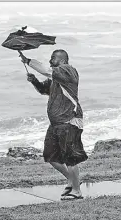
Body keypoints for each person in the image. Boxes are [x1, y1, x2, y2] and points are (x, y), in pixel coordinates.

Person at [20, 49, 88, 200]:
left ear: (63, 60)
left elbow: (45, 70)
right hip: (56, 123)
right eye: (51, 59)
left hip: (69, 120)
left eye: (53, 58)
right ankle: (72, 180)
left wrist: (28, 61)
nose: (51, 61)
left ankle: (76, 191)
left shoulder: (68, 71)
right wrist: (34, 81)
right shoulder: (56, 77)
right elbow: (44, 90)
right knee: (51, 156)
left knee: (70, 157)